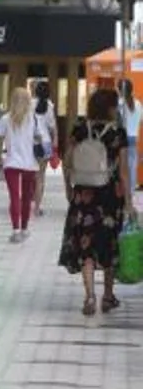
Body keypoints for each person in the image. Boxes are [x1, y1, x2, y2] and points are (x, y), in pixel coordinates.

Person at [60, 87, 135, 316]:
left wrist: (68, 187)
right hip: (109, 195)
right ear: (111, 108)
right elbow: (123, 170)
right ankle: (108, 296)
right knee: (109, 245)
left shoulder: (81, 128)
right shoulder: (117, 133)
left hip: (83, 194)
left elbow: (67, 160)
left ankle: (89, 295)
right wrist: (129, 201)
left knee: (86, 245)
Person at [0, 87, 39, 242]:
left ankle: (15, 230)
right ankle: (25, 228)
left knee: (14, 197)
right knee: (27, 197)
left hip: (11, 163)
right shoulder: (32, 118)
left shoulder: (5, 119)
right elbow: (38, 139)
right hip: (29, 163)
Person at [31, 80, 59, 217]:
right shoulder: (49, 105)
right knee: (40, 177)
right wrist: (55, 142)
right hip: (45, 142)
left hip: (30, 142)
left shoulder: (29, 104)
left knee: (30, 175)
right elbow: (52, 126)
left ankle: (27, 202)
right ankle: (37, 207)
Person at [119, 79, 141, 195]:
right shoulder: (138, 103)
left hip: (122, 138)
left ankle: (123, 191)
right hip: (134, 138)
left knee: (122, 167)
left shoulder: (120, 104)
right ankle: (131, 191)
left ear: (120, 90)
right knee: (132, 166)